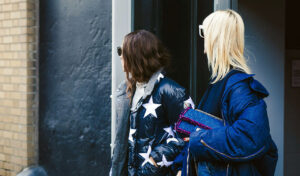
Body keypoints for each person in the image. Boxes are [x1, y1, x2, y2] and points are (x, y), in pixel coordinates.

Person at [181, 10, 278, 176]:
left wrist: (198, 139)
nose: (203, 42)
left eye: (205, 33)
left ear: (216, 38)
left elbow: (250, 137)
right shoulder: (222, 82)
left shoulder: (239, 87)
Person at [110, 30, 194, 176]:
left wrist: (154, 161)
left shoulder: (171, 91)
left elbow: (190, 135)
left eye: (122, 51)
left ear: (136, 56)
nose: (120, 55)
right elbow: (121, 144)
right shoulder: (126, 90)